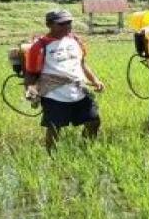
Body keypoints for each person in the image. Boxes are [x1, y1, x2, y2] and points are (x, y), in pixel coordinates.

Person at [24, 10, 105, 153]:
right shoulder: (39, 47)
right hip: (54, 93)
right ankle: (52, 156)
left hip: (79, 90)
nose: (67, 26)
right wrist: (31, 91)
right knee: (54, 128)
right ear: (49, 25)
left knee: (94, 121)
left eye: (69, 23)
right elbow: (31, 73)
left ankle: (86, 150)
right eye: (61, 23)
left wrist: (95, 80)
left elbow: (82, 63)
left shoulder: (75, 40)